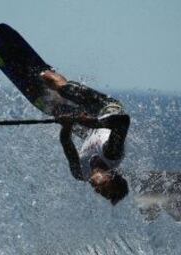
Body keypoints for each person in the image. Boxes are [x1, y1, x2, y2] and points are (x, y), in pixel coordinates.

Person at [41, 70, 130, 205]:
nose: (97, 191)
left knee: (56, 110)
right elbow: (122, 121)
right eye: (103, 188)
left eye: (101, 194)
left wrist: (66, 126)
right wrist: (89, 121)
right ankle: (46, 74)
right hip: (105, 109)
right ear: (110, 176)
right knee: (63, 89)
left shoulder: (80, 173)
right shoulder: (112, 154)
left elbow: (66, 143)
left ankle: (60, 103)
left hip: (89, 131)